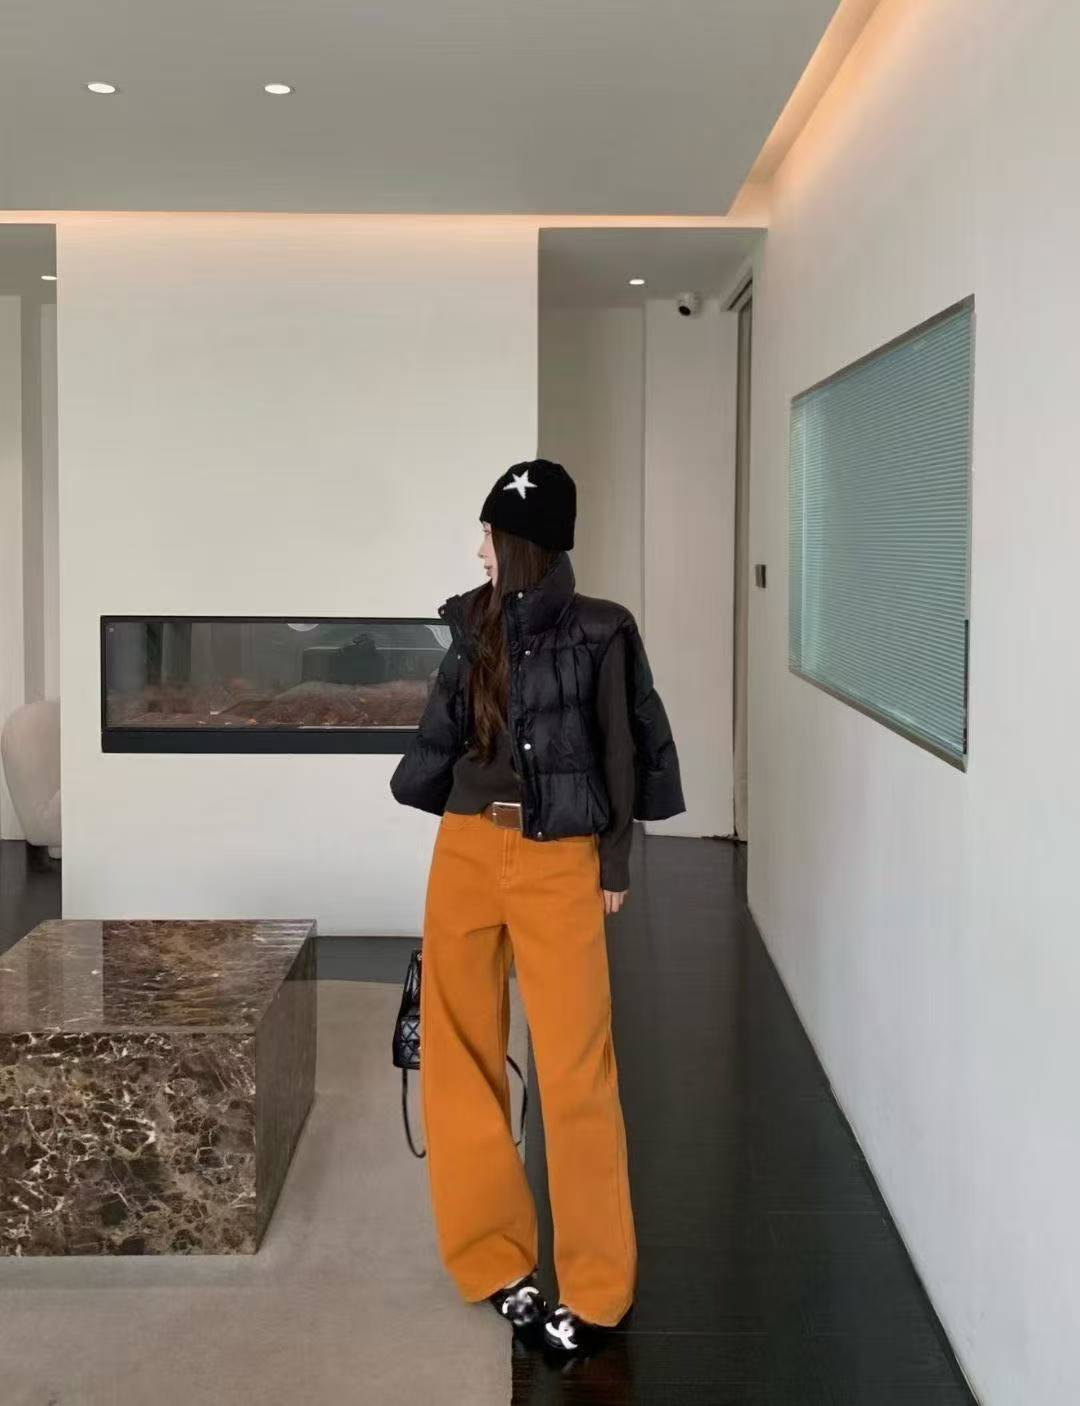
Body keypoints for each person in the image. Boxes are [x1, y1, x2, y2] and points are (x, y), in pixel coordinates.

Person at [389, 458, 685, 1354]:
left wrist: (615, 858)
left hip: (560, 859)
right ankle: (493, 1260)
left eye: (489, 534)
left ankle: (597, 1290)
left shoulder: (602, 629)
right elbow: (446, 735)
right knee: (458, 1057)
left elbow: (622, 748)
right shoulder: (472, 622)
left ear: (523, 542)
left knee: (575, 1069)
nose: (478, 549)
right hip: (466, 852)